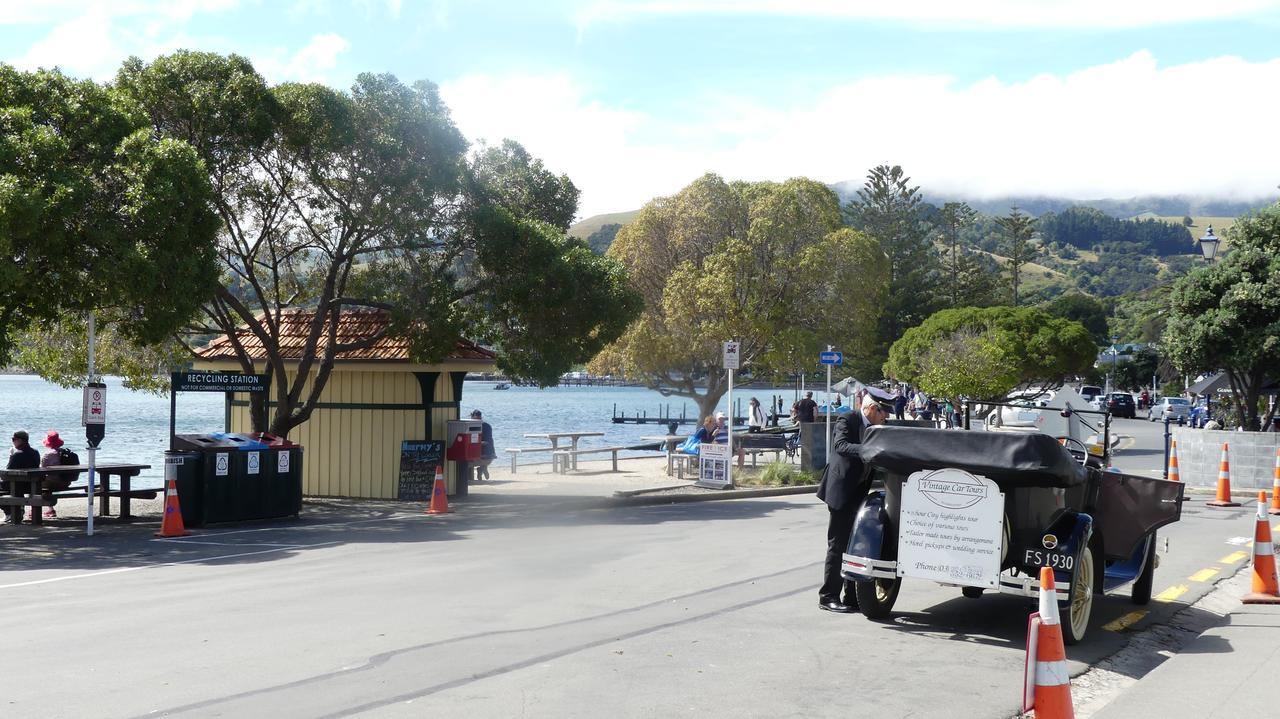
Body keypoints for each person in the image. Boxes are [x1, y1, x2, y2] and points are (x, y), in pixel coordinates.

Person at [816, 387, 892, 613]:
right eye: (882, 412)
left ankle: (851, 597)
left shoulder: (879, 428)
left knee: (855, 546)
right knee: (838, 545)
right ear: (869, 408)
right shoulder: (847, 418)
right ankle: (828, 596)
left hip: (860, 492)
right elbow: (841, 446)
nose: (885, 417)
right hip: (841, 491)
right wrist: (870, 449)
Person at [37, 431, 77, 519]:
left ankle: (36, 510)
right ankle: (50, 509)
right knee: (46, 484)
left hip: (52, 484)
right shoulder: (66, 453)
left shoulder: (47, 455)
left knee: (35, 485)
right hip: (66, 482)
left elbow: (41, 471)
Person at [3, 430, 40, 523]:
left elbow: (7, 472)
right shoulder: (35, 452)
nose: (13, 441)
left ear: (20, 440)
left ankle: (9, 513)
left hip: (18, 484)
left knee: (5, 485)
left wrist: (11, 456)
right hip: (32, 485)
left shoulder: (17, 454)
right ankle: (18, 509)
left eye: (13, 439)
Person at [469, 410, 497, 480]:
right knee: (481, 456)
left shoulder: (472, 426)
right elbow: (489, 441)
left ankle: (470, 479)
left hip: (481, 458)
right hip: (491, 457)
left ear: (472, 417)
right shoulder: (488, 426)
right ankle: (482, 467)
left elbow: (474, 443)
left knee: (464, 463)